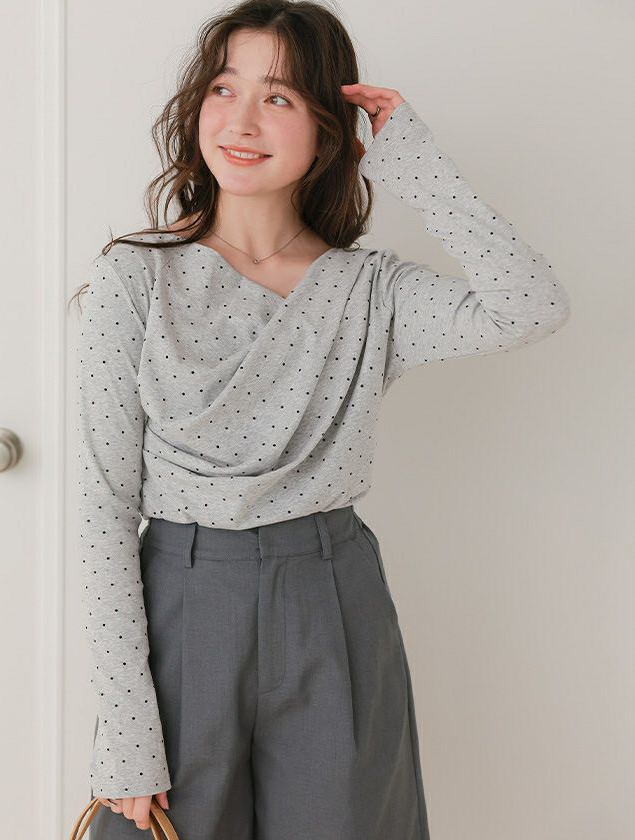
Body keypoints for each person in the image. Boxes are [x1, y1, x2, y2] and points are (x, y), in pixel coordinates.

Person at [72, 2, 571, 838]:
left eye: (278, 97)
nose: (241, 120)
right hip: (184, 602)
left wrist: (415, 162)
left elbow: (532, 305)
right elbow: (102, 506)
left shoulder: (373, 292)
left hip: (332, 598)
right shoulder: (135, 279)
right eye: (224, 88)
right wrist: (125, 730)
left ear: (328, 131)